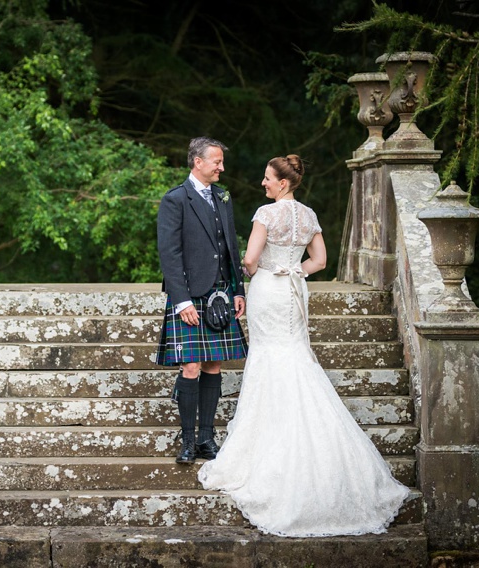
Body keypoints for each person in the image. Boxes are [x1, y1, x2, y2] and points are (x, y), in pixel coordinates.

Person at [197, 155, 409, 536]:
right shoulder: (308, 215)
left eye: (267, 179)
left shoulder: (265, 214)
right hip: (294, 290)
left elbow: (249, 260)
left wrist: (246, 269)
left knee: (268, 356)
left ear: (282, 183)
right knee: (295, 355)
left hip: (268, 290)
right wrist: (294, 269)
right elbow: (321, 260)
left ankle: (268, 443)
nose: (263, 184)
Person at [156, 136, 248, 465]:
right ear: (198, 162)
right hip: (191, 294)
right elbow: (169, 253)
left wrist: (239, 290)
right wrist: (181, 302)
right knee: (191, 365)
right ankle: (188, 440)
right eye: (216, 162)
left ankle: (207, 438)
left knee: (213, 364)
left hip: (221, 293)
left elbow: (231, 248)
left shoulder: (222, 197)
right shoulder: (175, 200)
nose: (221, 167)